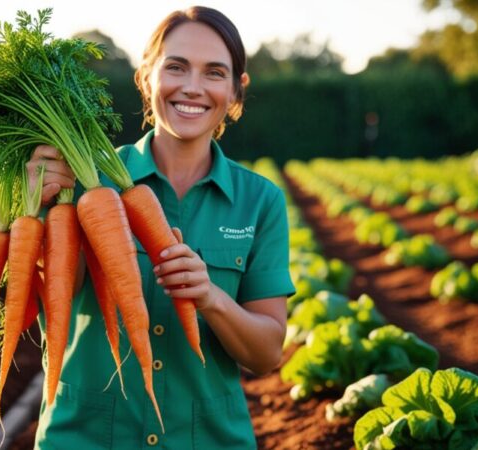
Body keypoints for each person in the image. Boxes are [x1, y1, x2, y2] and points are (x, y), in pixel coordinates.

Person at [27, 6, 294, 449]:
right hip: (83, 438)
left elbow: (266, 354)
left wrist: (212, 299)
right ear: (146, 75)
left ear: (235, 90)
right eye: (175, 67)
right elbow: (50, 298)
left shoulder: (260, 201)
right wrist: (39, 213)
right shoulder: (79, 182)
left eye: (214, 72)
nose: (192, 87)